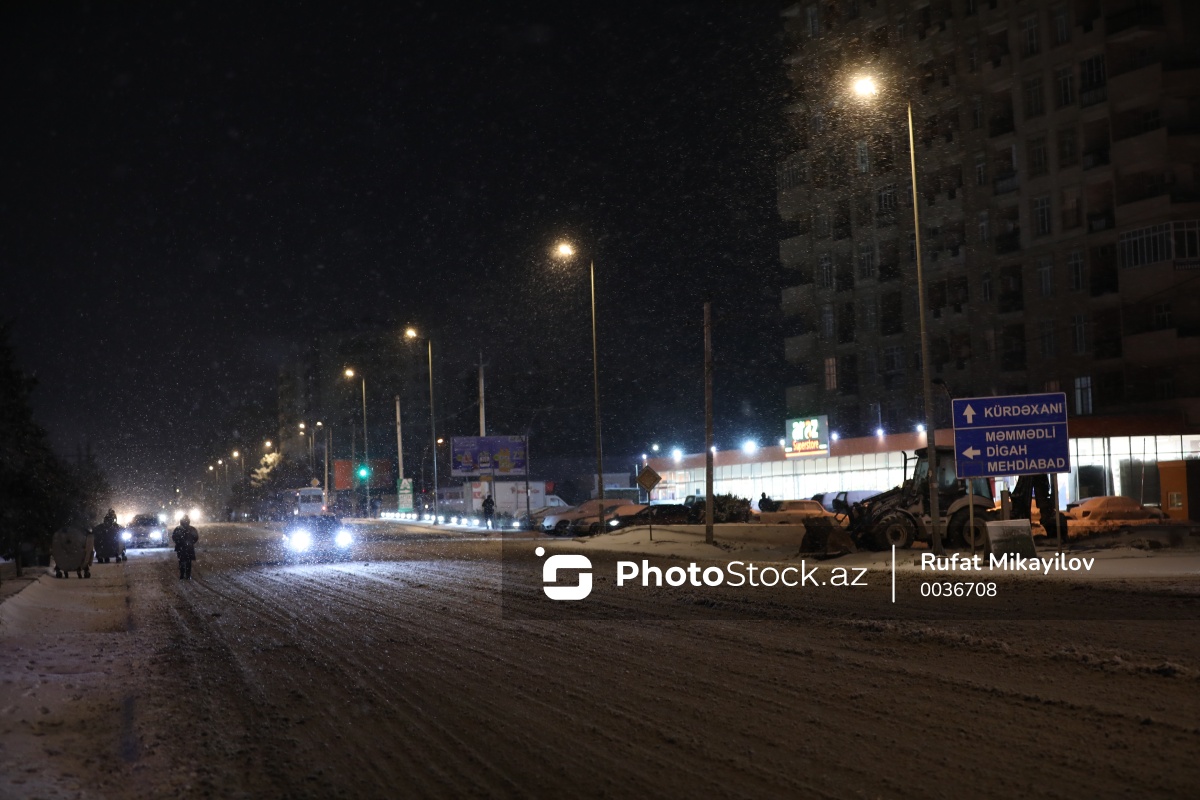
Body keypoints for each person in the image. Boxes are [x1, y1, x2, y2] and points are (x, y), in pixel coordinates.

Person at [172, 515, 200, 580]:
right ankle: (188, 575)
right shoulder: (192, 529)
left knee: (181, 561)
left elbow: (174, 537)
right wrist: (191, 543)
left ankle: (182, 575)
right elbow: (196, 537)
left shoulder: (178, 529)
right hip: (189, 548)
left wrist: (179, 542)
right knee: (188, 562)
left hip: (180, 547)